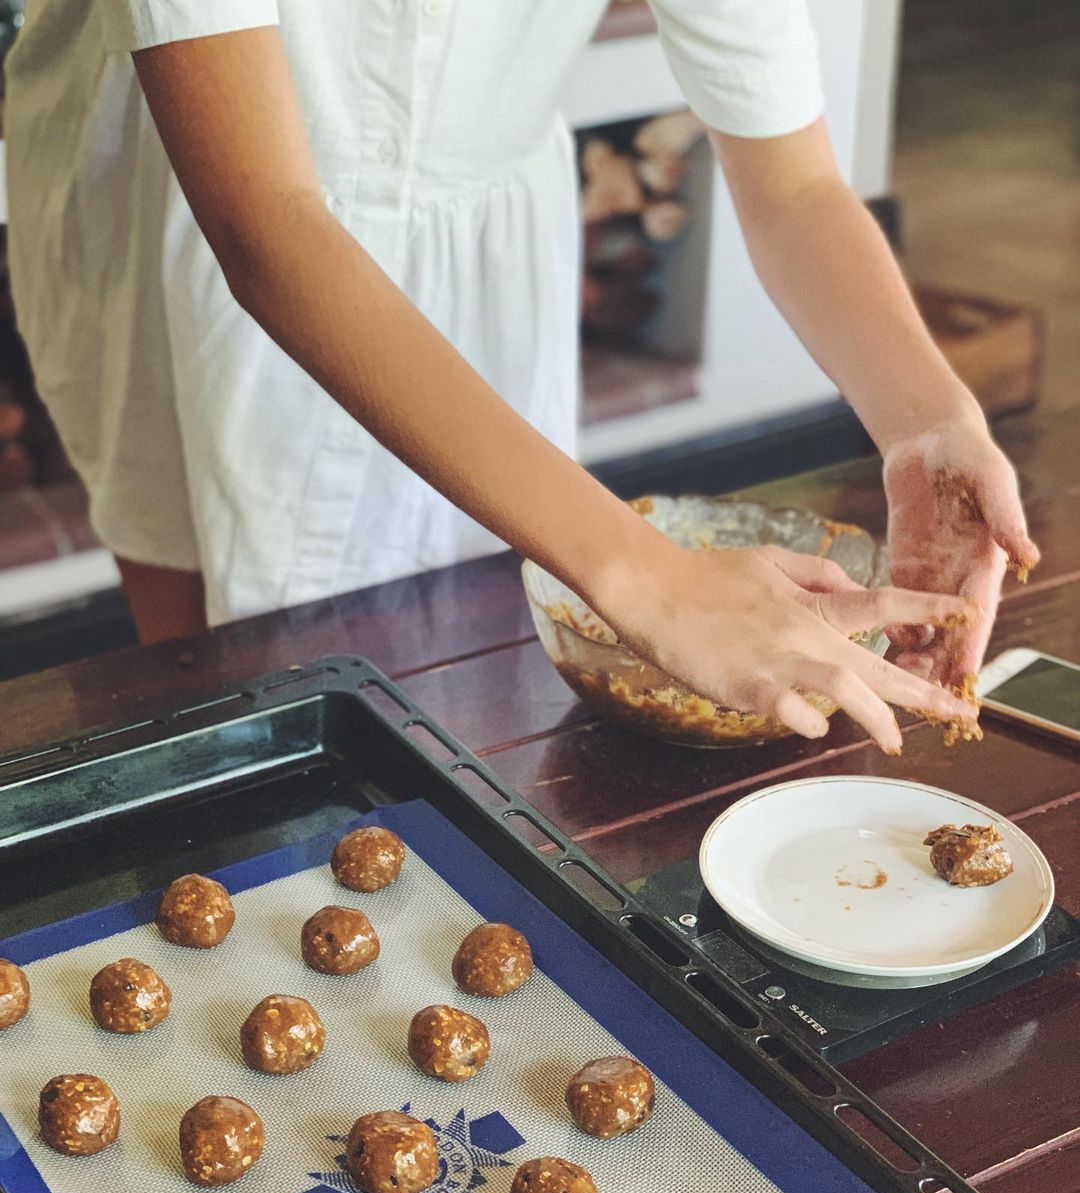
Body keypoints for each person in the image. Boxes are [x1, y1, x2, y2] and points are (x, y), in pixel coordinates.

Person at [5, 1, 1036, 754]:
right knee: (229, 714)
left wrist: (926, 416)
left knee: (471, 693)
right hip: (187, 212)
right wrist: (652, 579)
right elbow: (265, 225)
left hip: (484, 213)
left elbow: (797, 182)